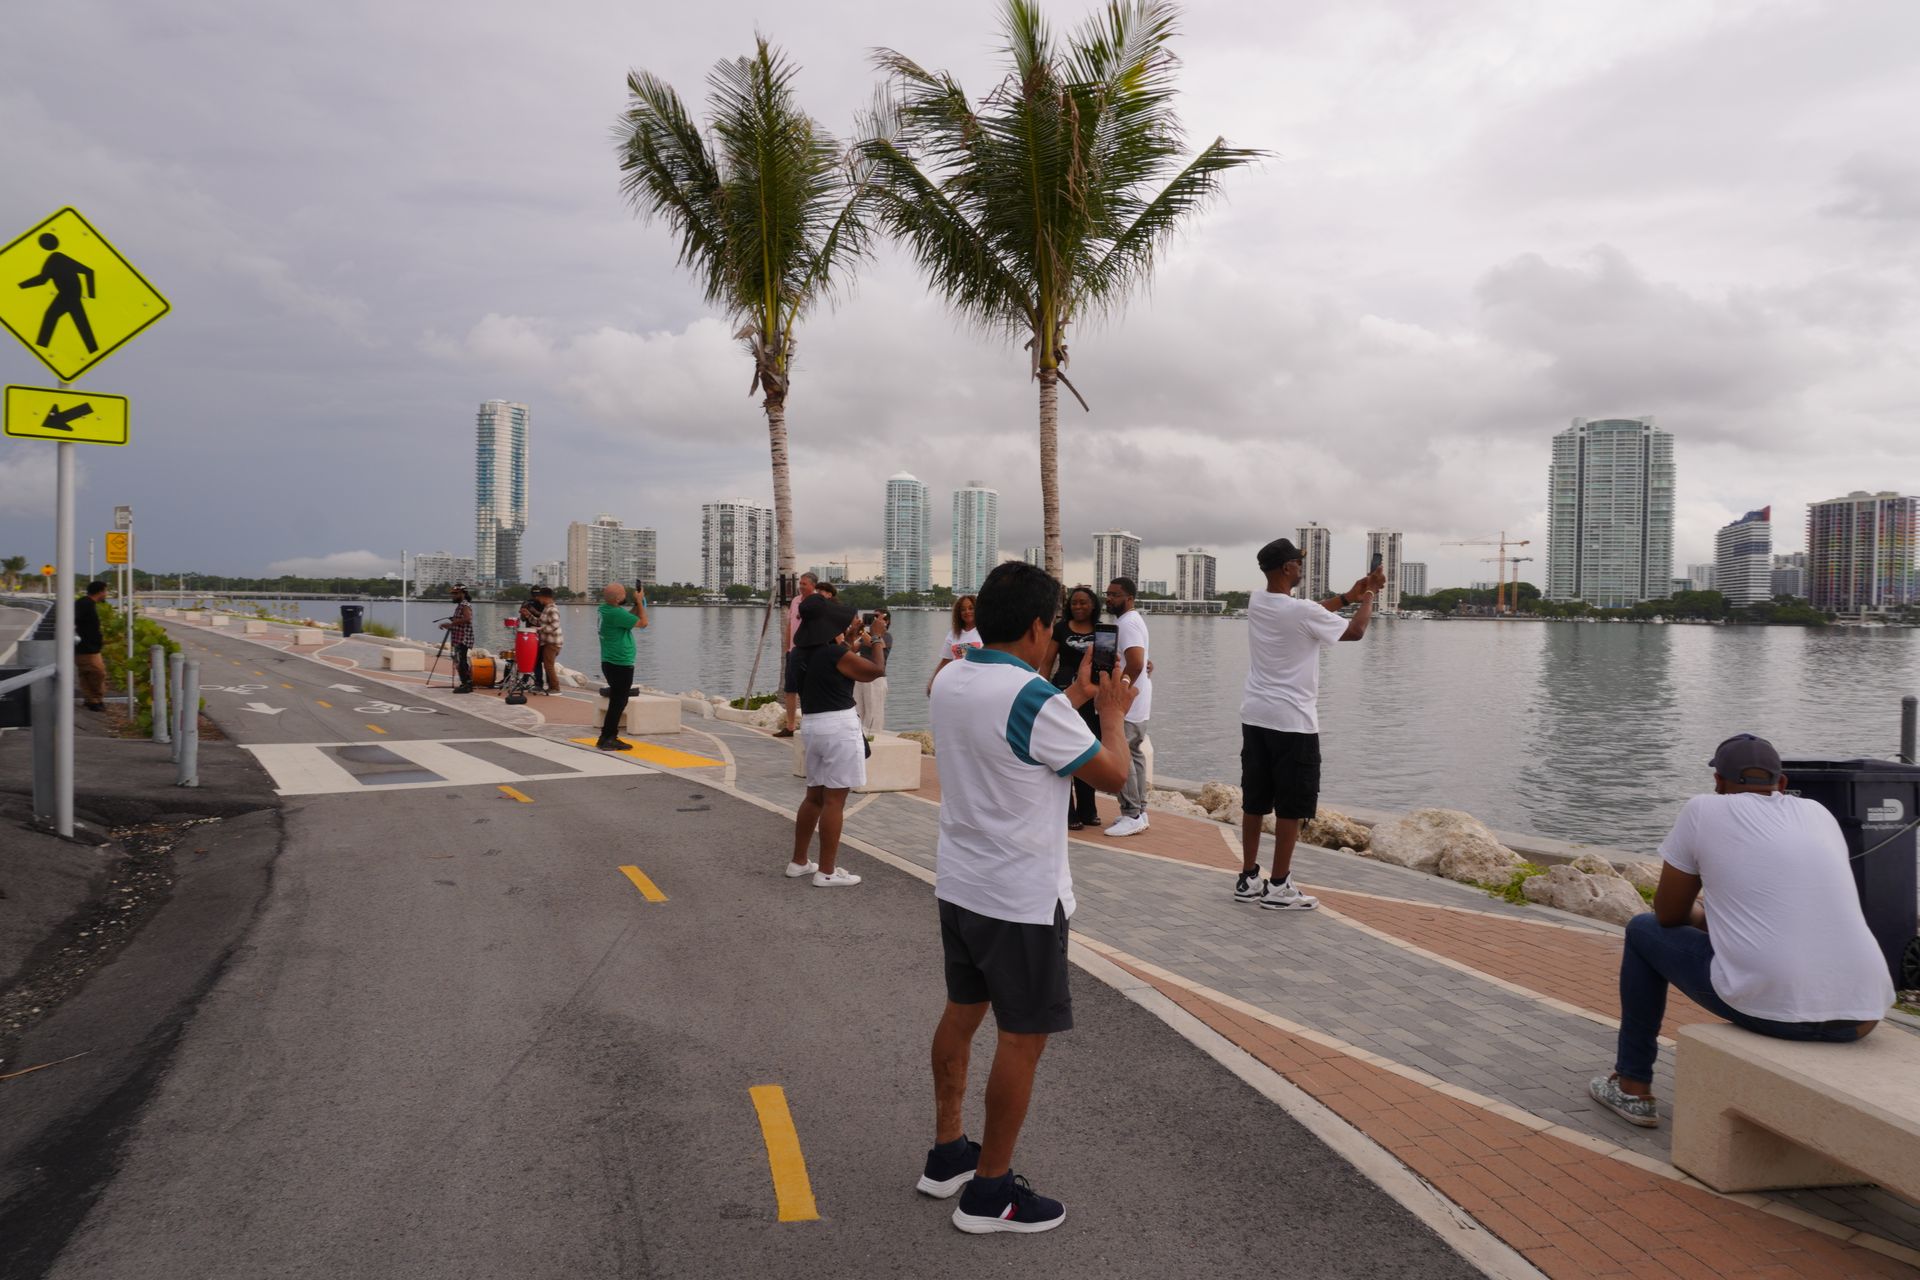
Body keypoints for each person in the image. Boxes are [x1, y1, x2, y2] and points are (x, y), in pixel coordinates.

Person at [919, 560, 1135, 1234]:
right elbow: (1113, 776)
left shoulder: (952, 677)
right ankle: (990, 1193)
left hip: (962, 885)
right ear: (1042, 627)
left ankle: (949, 1154)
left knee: (962, 1014)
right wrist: (1111, 712)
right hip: (1020, 899)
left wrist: (1070, 698)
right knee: (1021, 1039)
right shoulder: (1032, 699)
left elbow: (1013, 735)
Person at [1588, 734, 1894, 1128]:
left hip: (1779, 1013)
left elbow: (1667, 914)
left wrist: (1703, 915)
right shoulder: (1818, 813)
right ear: (1782, 783)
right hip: (1863, 1015)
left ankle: (1632, 1086)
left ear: (1718, 781)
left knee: (1642, 930)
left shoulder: (1703, 810)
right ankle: (1631, 1086)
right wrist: (1717, 920)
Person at [1233, 539, 1382, 910]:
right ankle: (1278, 886)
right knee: (1291, 805)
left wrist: (1346, 597)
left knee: (1255, 801)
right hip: (1293, 722)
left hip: (1255, 716)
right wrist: (1369, 596)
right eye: (1298, 563)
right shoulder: (1299, 611)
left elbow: (1309, 614)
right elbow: (1355, 632)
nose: (1301, 568)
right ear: (1287, 568)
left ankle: (1248, 878)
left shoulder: (1257, 601)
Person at [787, 598, 889, 887]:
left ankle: (799, 861)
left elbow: (835, 663)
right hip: (839, 728)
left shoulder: (800, 654)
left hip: (813, 726)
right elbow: (875, 670)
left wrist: (850, 641)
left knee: (814, 797)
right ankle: (827, 871)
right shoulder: (833, 653)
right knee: (834, 801)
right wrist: (876, 638)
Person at [1041, 586, 1103, 830]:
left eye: (1083, 602)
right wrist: (1040, 691)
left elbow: (1109, 663)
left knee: (1088, 749)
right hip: (1064, 694)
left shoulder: (1102, 630)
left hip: (1092, 698)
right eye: (1074, 602)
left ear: (1093, 605)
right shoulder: (1060, 629)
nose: (1078, 606)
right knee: (1065, 750)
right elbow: (1047, 662)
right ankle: (1068, 813)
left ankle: (1089, 810)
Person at [1100, 578, 1154, 837]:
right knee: (1134, 753)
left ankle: (1131, 814)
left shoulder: (1128, 623)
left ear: (1130, 598)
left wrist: (1119, 689)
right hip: (1139, 700)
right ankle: (1140, 811)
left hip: (1128, 703)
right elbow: (1141, 662)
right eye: (1108, 594)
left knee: (1123, 755)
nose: (1109, 598)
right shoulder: (1131, 621)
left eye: (1115, 595)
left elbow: (1136, 662)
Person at [595, 582, 648, 750]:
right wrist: (639, 602)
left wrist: (637, 604)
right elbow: (643, 623)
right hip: (619, 663)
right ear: (618, 598)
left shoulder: (605, 609)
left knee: (617, 700)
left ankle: (606, 737)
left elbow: (629, 618)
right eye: (624, 593)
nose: (627, 594)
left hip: (610, 662)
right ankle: (608, 738)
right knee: (619, 702)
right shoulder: (615, 613)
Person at [776, 572, 818, 737]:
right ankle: (790, 726)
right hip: (793, 652)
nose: (801, 586)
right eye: (800, 583)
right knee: (790, 689)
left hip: (809, 652)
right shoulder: (795, 601)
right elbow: (790, 624)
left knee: (807, 691)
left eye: (804, 584)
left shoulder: (817, 603)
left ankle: (809, 726)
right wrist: (788, 648)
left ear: (813, 586)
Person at [928, 594, 981, 693]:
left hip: (978, 684)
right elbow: (945, 661)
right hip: (956, 684)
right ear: (959, 613)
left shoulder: (985, 631)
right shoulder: (953, 634)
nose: (967, 612)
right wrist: (932, 682)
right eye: (963, 609)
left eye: (971, 608)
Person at [854, 607, 892, 733]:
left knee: (874, 712)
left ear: (886, 621)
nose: (874, 620)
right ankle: (858, 736)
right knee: (857, 710)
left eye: (877, 617)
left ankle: (874, 737)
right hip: (860, 676)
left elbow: (876, 644)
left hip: (875, 678)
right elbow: (853, 648)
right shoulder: (865, 636)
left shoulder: (887, 636)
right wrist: (856, 630)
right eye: (873, 616)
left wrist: (864, 633)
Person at [74, 580, 108, 711]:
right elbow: (72, 620)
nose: (106, 594)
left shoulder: (87, 603)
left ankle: (92, 701)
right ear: (100, 592)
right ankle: (94, 699)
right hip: (86, 648)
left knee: (87, 674)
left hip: (89, 647)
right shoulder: (84, 604)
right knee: (98, 672)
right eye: (105, 591)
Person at [440, 584, 475, 693]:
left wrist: (451, 624)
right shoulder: (461, 605)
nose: (453, 596)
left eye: (455, 593)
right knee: (460, 661)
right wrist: (452, 623)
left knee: (461, 661)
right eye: (452, 594)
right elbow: (461, 620)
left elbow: (467, 618)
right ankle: (465, 683)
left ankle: (467, 685)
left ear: (462, 593)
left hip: (463, 637)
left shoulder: (465, 604)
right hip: (459, 637)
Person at [531, 585, 563, 693]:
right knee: (547, 664)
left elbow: (555, 625)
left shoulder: (552, 609)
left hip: (552, 642)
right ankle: (550, 687)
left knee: (548, 666)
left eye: (539, 597)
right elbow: (540, 622)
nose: (538, 599)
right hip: (547, 642)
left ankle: (555, 688)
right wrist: (529, 616)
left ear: (544, 597)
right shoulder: (546, 608)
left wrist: (540, 630)